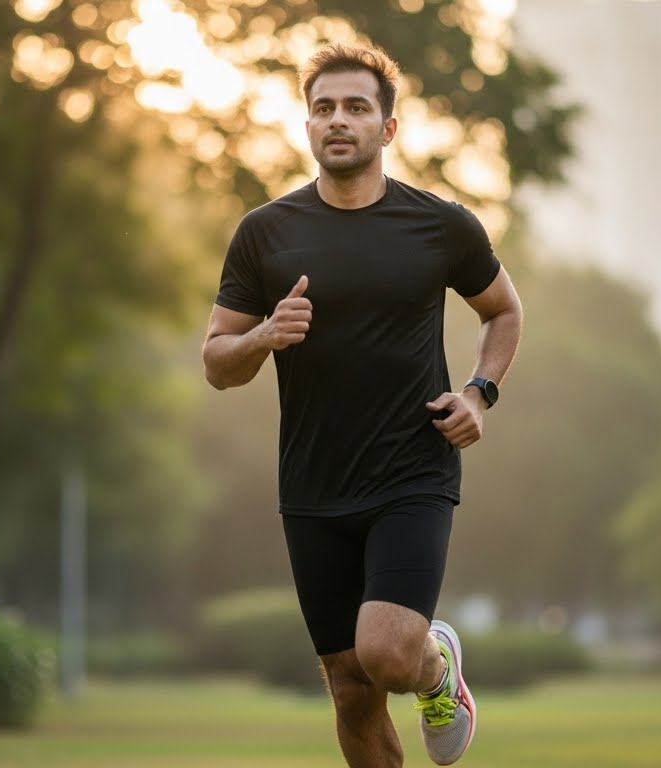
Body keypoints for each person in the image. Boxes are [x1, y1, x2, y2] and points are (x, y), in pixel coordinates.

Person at [200, 43, 523, 767]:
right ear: (305, 126)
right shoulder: (264, 232)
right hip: (312, 486)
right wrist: (262, 335)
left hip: (412, 473)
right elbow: (217, 364)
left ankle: (435, 668)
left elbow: (502, 311)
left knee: (383, 654)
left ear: (388, 128)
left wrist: (480, 392)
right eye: (322, 108)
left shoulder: (439, 226)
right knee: (349, 690)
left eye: (354, 107)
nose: (336, 121)